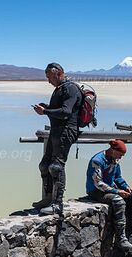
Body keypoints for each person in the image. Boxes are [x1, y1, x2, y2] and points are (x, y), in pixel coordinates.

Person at [86, 140, 132, 250]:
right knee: (118, 201)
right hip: (96, 191)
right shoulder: (97, 160)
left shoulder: (115, 160)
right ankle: (121, 238)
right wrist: (117, 192)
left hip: (110, 189)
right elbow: (98, 183)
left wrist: (126, 187)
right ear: (113, 150)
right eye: (120, 154)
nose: (121, 157)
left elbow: (118, 177)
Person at [32, 62, 82, 215]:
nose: (48, 81)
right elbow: (58, 109)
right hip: (56, 131)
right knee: (44, 165)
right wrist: (46, 107)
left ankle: (57, 204)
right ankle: (48, 198)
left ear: (58, 73)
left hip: (66, 131)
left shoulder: (70, 88)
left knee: (56, 167)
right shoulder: (59, 89)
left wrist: (45, 111)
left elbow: (66, 112)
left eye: (49, 77)